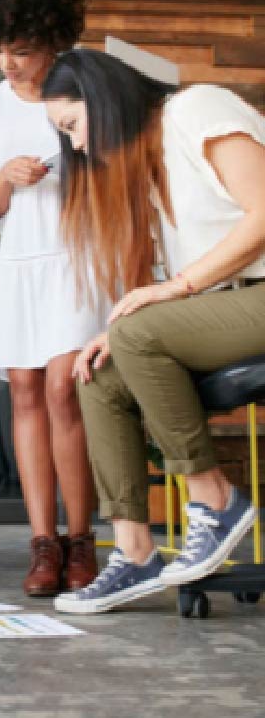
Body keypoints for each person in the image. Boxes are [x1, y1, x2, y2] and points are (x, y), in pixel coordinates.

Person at [40, 48, 265, 614]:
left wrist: (175, 289)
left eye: (71, 126)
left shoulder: (196, 110)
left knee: (139, 332)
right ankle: (136, 551)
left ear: (102, 99)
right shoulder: (145, 170)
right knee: (96, 373)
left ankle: (216, 501)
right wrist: (121, 329)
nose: (76, 147)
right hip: (233, 308)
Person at [0, 0, 107, 597]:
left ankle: (83, 540)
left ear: (53, 40)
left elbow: (114, 177)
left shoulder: (86, 90)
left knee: (61, 391)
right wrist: (4, 180)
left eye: (21, 51)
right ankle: (42, 543)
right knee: (22, 389)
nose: (8, 63)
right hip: (19, 257)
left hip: (76, 256)